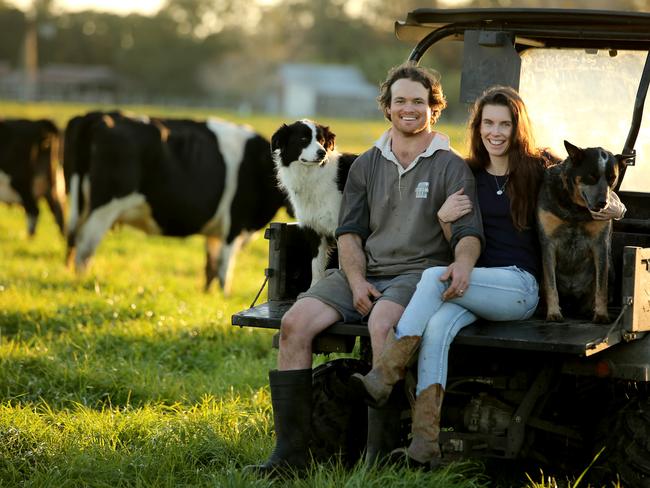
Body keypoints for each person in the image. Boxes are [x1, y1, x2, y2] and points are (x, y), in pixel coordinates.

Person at [351, 85, 626, 468]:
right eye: (487, 123)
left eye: (505, 124)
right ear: (477, 128)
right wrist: (444, 219)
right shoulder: (467, 173)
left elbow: (606, 197)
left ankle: (385, 374)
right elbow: (458, 238)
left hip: (519, 286)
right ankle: (425, 443)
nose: (495, 132)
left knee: (433, 278)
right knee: (436, 330)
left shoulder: (539, 167)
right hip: (474, 286)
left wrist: (608, 207)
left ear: (517, 128)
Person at [245, 62, 484, 475]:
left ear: (434, 108)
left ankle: (377, 459)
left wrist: (461, 260)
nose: (409, 108)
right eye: (400, 101)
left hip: (418, 274)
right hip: (366, 269)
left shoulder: (450, 165)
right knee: (295, 325)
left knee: (380, 329)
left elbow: (468, 234)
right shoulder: (366, 164)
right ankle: (289, 457)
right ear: (387, 108)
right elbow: (349, 233)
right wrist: (355, 281)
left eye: (419, 101)